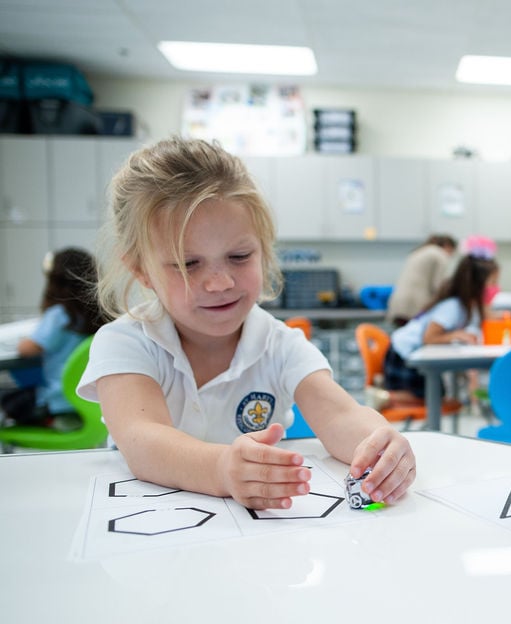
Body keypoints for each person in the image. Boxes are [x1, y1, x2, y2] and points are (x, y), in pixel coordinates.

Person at [77, 136, 415, 511]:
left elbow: (340, 415)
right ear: (141, 270)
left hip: (254, 541)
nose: (220, 282)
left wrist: (381, 445)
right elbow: (142, 441)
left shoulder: (281, 345)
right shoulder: (124, 342)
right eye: (188, 264)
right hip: (145, 526)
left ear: (263, 250)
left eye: (239, 256)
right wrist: (222, 469)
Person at [0, 248, 106, 430]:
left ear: (55, 281)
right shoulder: (99, 314)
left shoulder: (59, 315)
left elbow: (26, 349)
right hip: (89, 402)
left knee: (7, 396)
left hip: (57, 400)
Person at [384, 238, 499, 401]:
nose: (495, 287)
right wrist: (455, 335)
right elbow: (429, 338)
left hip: (409, 352)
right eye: (492, 282)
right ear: (477, 284)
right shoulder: (452, 307)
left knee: (438, 394)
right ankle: (382, 397)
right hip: (402, 354)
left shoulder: (466, 306)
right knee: (433, 396)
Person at [386, 233, 457, 327]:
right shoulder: (440, 254)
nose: (451, 255)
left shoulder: (419, 251)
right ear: (448, 246)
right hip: (414, 306)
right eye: (452, 251)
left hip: (398, 303)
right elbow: (438, 286)